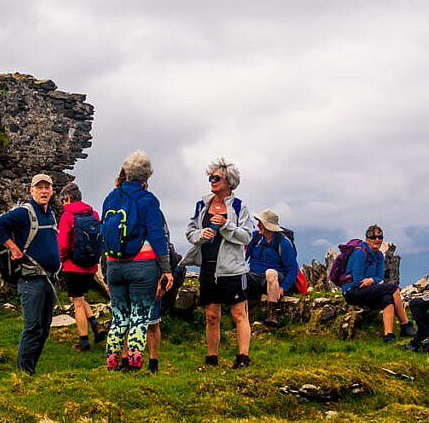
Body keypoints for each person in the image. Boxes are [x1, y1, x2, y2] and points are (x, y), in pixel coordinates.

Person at [101, 151, 174, 372]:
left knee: (119, 316)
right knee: (140, 317)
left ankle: (113, 363)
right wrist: (166, 269)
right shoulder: (148, 200)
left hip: (114, 265)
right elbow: (156, 234)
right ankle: (134, 364)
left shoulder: (111, 197)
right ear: (146, 177)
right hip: (142, 266)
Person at [181, 158, 254, 368]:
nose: (211, 181)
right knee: (211, 315)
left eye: (216, 178)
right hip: (208, 267)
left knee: (239, 313)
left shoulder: (240, 207)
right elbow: (189, 232)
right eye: (210, 177)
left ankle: (243, 357)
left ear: (229, 182)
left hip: (232, 269)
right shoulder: (202, 205)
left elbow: (247, 237)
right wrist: (200, 235)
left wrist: (226, 225)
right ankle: (212, 358)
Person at [0, 173, 62, 375]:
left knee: (44, 329)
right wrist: (13, 247)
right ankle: (22, 374)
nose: (44, 191)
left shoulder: (50, 214)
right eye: (39, 188)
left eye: (47, 187)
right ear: (31, 191)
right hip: (30, 279)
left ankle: (30, 370)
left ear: (52, 190)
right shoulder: (24, 213)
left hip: (48, 279)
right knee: (32, 327)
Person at [341, 224, 416, 343]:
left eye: (380, 237)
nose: (377, 240)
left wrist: (371, 280)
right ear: (367, 239)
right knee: (393, 289)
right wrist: (373, 281)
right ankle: (405, 324)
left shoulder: (380, 255)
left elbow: (380, 277)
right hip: (352, 292)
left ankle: (389, 335)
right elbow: (357, 281)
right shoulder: (360, 253)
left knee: (387, 298)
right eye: (373, 237)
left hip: (367, 289)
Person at [57, 182, 105, 352]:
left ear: (68, 199)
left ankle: (84, 342)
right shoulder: (94, 214)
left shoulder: (67, 216)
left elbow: (62, 244)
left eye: (63, 201)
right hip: (91, 265)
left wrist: (61, 260)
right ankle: (94, 324)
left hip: (73, 265)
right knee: (78, 297)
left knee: (77, 302)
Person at [245, 208, 300, 326]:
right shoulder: (255, 237)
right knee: (240, 275)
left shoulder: (283, 243)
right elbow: (243, 256)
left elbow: (293, 268)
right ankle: (242, 314)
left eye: (261, 223)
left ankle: (272, 313)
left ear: (268, 226)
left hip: (273, 279)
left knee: (270, 273)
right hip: (255, 277)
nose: (258, 225)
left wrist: (283, 288)